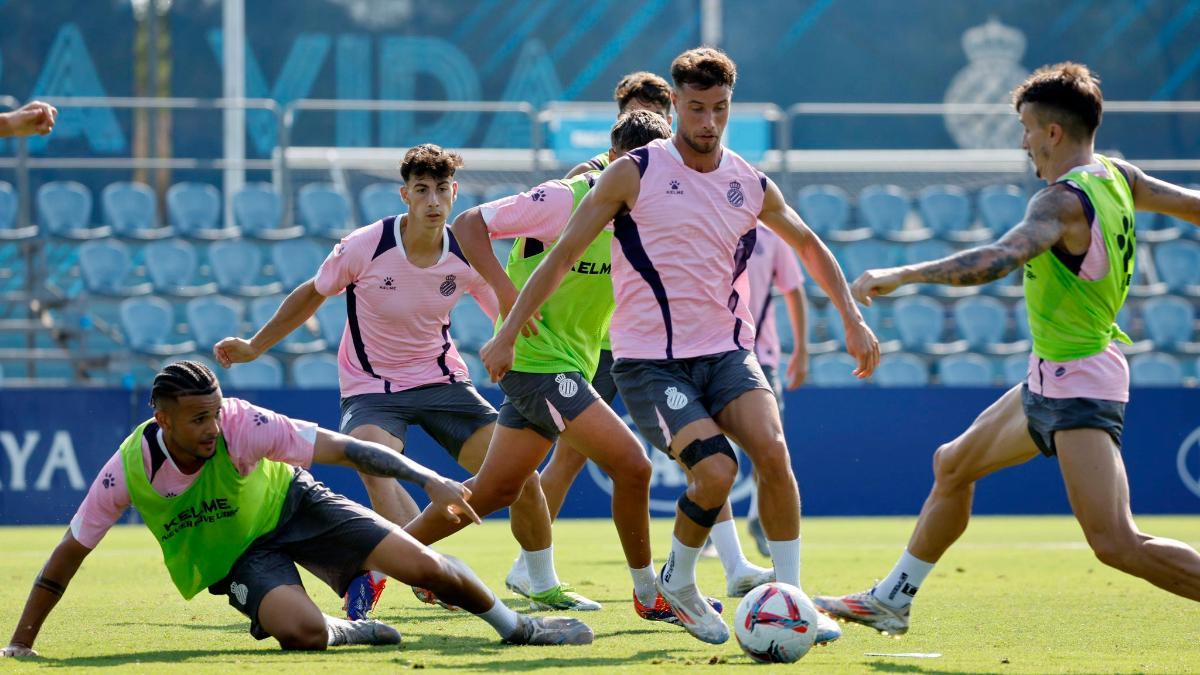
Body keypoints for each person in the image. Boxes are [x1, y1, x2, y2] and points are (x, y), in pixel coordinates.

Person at [480, 47, 879, 645]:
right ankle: (679, 581)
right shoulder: (631, 173)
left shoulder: (747, 180)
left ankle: (791, 599)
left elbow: (808, 242)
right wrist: (509, 329)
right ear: (677, 104)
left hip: (727, 353)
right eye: (696, 108)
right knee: (716, 470)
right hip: (650, 364)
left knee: (772, 452)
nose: (708, 122)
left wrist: (849, 315)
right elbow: (562, 255)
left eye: (719, 108)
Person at [814, 62, 1200, 637]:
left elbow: (997, 259)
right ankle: (893, 599)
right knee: (952, 464)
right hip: (1048, 379)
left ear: (1052, 132)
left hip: (1078, 385)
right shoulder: (1119, 176)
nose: (1022, 142)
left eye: (1026, 128)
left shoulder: (1061, 203)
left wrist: (906, 272)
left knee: (1117, 543)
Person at [214, 144, 596, 618]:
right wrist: (254, 346)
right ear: (405, 196)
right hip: (372, 388)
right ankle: (423, 572)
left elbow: (505, 312)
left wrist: (516, 342)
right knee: (374, 462)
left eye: (441, 189)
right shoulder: (366, 245)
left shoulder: (467, 255)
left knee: (521, 477)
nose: (433, 200)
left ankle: (540, 581)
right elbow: (312, 294)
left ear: (454, 193)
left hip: (443, 382)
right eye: (422, 190)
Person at [0, 361, 592, 658]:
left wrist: (428, 476)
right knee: (304, 635)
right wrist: (22, 644)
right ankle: (347, 628)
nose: (212, 427)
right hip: (239, 558)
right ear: (163, 419)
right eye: (197, 419)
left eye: (215, 412)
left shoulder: (242, 423)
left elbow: (348, 449)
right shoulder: (126, 471)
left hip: (296, 503)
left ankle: (518, 628)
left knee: (423, 567)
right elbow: (68, 554)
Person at [407, 110, 726, 632]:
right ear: (621, 158)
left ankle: (373, 558)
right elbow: (468, 226)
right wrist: (509, 304)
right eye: (644, 166)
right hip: (536, 361)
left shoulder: (643, 214)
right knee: (634, 466)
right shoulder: (568, 197)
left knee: (492, 491)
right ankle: (650, 593)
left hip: (573, 359)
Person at [741, 224, 809, 558]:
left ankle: (758, 517)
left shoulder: (772, 237)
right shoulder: (707, 222)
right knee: (707, 447)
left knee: (768, 443)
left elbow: (794, 289)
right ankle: (710, 527)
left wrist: (802, 349)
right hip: (710, 352)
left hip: (761, 355)